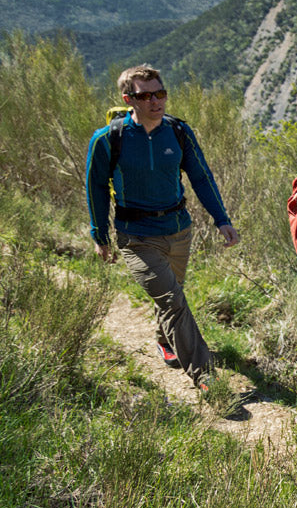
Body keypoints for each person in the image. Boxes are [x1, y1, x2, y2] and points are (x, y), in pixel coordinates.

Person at [86, 64, 239, 391]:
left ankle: (165, 340)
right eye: (146, 95)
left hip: (179, 230)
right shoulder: (108, 140)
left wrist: (221, 219)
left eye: (161, 93)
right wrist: (99, 235)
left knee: (172, 296)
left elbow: (201, 176)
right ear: (129, 99)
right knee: (171, 299)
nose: (156, 101)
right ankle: (204, 374)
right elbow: (96, 188)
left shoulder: (179, 132)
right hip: (136, 236)